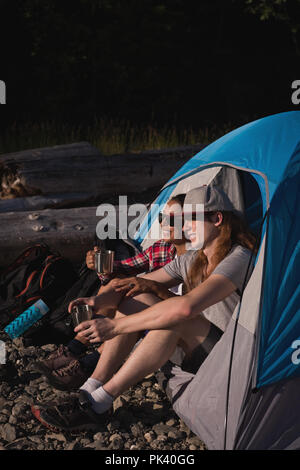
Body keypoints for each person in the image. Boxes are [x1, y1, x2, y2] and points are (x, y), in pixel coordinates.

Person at [31, 185, 257, 432]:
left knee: (174, 317)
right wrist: (97, 301)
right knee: (136, 295)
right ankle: (90, 390)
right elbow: (130, 284)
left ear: (217, 218)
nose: (184, 227)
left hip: (232, 355)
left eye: (192, 219)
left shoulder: (238, 257)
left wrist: (116, 326)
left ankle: (97, 404)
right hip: (198, 348)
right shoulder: (193, 259)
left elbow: (186, 308)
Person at [34, 194, 187, 390]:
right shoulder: (162, 248)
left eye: (171, 219)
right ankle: (75, 353)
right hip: (148, 316)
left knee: (134, 298)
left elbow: (186, 305)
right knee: (121, 284)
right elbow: (124, 269)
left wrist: (149, 287)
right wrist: (99, 268)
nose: (164, 224)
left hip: (174, 324)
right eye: (161, 218)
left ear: (191, 223)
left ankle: (85, 363)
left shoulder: (197, 258)